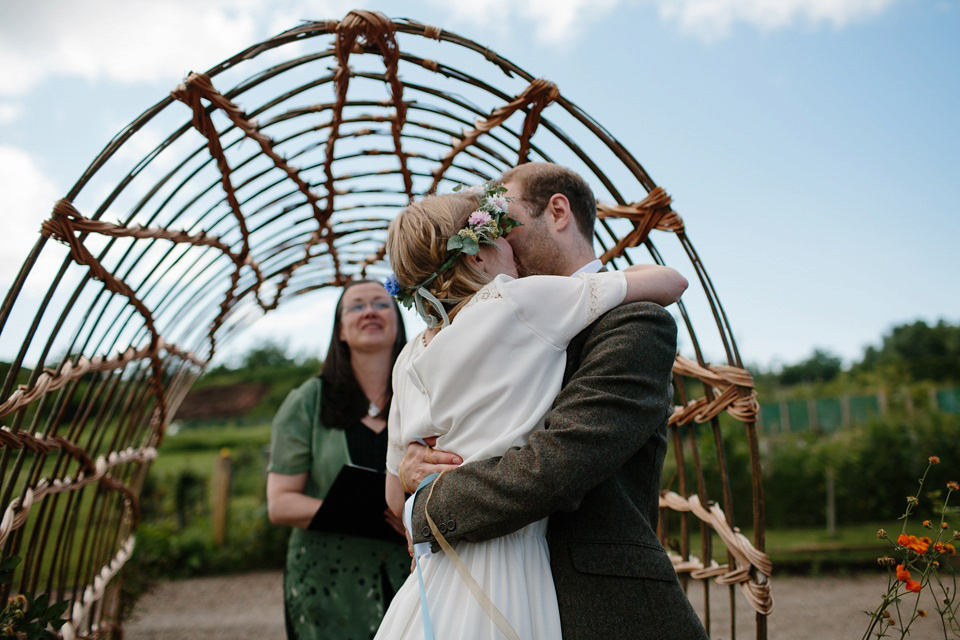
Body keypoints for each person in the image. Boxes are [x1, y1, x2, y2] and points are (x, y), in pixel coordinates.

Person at [398, 163, 709, 639]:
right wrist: (412, 465)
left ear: (558, 211)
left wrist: (427, 503)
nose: (491, 230)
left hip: (601, 609)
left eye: (500, 215)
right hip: (488, 585)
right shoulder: (467, 328)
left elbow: (556, 464)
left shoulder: (632, 322)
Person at [266, 280, 411, 640]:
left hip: (410, 573)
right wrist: (367, 513)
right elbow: (280, 503)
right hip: (328, 583)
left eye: (381, 303)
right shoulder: (307, 401)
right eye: (357, 306)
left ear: (397, 321)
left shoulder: (425, 390)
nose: (370, 312)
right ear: (340, 331)